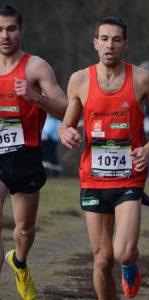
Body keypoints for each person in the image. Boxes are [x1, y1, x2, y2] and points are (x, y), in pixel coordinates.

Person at [58, 17, 149, 299]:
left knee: (123, 252)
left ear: (125, 45)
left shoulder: (142, 78)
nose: (110, 45)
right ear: (95, 43)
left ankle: (131, 264)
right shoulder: (79, 79)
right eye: (104, 39)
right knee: (103, 259)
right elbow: (67, 123)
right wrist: (65, 132)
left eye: (116, 40)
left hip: (129, 176)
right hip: (93, 178)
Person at [0, 4, 68, 299]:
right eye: (0, 30)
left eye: (11, 29)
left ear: (21, 30)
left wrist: (34, 96)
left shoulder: (36, 67)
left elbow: (66, 109)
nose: (4, 35)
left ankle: (20, 262)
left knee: (25, 230)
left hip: (26, 156)